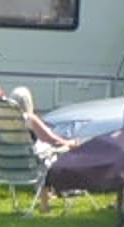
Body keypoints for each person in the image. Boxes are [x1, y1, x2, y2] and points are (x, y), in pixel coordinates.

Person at [11, 85, 79, 213]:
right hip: (31, 164)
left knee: (42, 155)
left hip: (9, 165)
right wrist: (70, 143)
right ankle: (45, 203)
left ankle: (51, 194)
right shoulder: (29, 118)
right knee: (51, 156)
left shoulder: (3, 120)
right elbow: (52, 140)